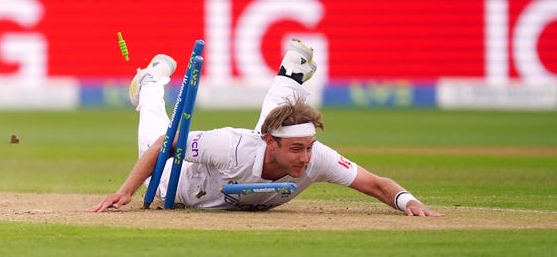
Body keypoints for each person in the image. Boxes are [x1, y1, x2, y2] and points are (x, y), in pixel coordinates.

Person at [90, 39, 444, 215]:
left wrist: (406, 201)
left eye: (308, 147)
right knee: (157, 130)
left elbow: (376, 184)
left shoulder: (314, 156)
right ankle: (151, 81)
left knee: (286, 116)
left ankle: (292, 74)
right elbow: (164, 145)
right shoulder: (233, 146)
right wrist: (127, 190)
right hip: (176, 181)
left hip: (250, 155)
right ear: (269, 143)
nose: (306, 158)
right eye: (296, 149)